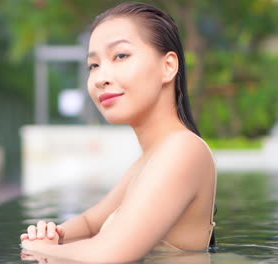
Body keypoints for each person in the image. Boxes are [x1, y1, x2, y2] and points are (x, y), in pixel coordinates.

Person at [20, 2, 217, 263]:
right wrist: (51, 234)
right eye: (93, 65)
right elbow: (91, 223)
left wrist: (37, 250)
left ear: (168, 66)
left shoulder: (183, 150)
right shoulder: (152, 157)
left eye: (121, 56)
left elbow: (107, 255)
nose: (101, 77)